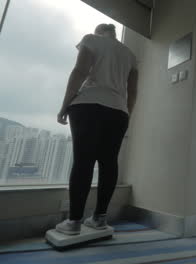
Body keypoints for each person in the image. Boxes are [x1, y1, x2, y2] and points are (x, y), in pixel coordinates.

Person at [55, 24, 138, 235]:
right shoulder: (130, 54)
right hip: (118, 112)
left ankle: (74, 222)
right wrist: (126, 114)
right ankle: (99, 218)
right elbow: (133, 91)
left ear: (98, 31)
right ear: (115, 34)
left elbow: (79, 72)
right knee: (109, 163)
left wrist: (64, 106)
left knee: (83, 161)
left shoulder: (91, 40)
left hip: (88, 105)